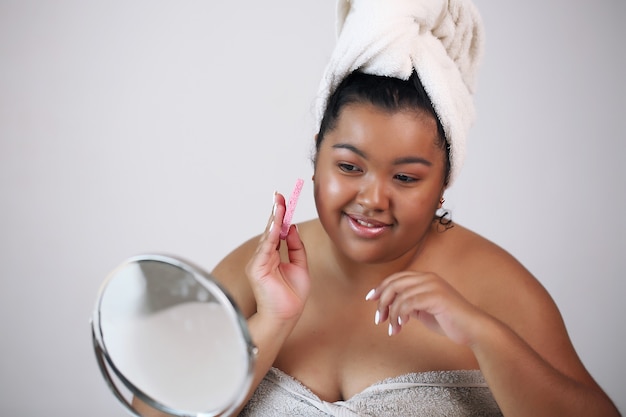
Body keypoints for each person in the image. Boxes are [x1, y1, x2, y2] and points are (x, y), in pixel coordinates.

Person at [136, 0, 620, 415]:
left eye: (406, 177)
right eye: (349, 167)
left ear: (444, 182)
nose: (372, 199)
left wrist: (481, 334)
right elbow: (152, 409)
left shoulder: (497, 286)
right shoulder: (260, 271)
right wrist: (272, 321)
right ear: (317, 154)